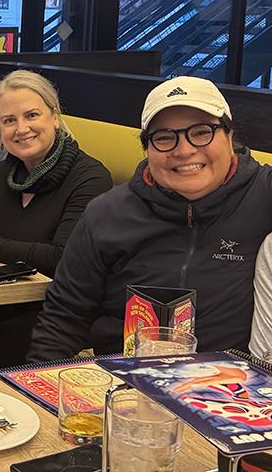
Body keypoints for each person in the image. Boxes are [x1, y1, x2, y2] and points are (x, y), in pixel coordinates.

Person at [28, 76, 272, 362]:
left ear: (230, 136)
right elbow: (64, 318)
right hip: (122, 377)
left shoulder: (264, 194)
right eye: (164, 137)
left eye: (202, 132)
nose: (184, 150)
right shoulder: (106, 214)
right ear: (147, 149)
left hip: (232, 384)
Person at [0, 69, 112, 366]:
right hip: (1, 307)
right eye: (9, 120)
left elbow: (61, 258)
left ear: (54, 117)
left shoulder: (91, 179)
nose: (21, 128)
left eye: (32, 115)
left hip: (63, 319)